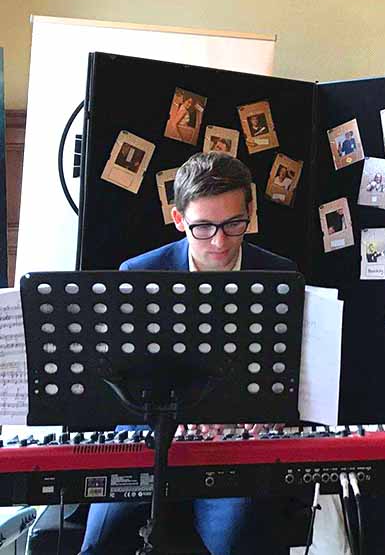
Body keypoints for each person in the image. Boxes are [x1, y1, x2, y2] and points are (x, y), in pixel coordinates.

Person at [81, 152, 297, 555]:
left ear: (251, 213)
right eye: (203, 227)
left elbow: (289, 378)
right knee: (100, 544)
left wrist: (270, 413)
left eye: (234, 224)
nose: (219, 241)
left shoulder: (280, 275)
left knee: (237, 542)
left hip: (233, 445)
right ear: (179, 219)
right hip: (147, 437)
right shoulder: (139, 274)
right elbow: (118, 381)